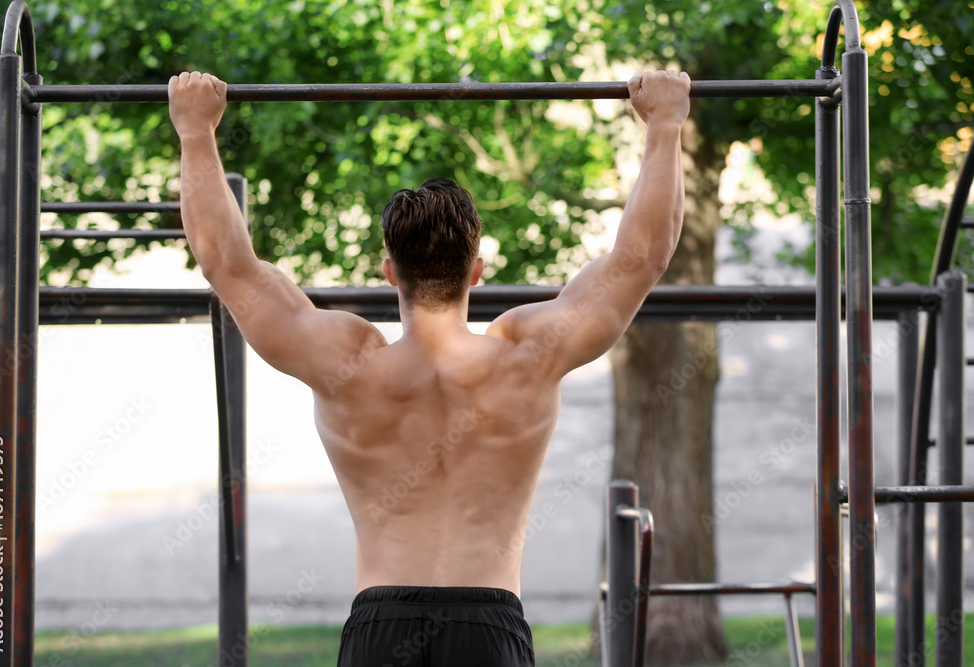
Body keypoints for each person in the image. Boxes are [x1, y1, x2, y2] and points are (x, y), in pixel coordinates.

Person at [168, 68, 690, 667]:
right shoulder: (527, 356)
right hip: (488, 629)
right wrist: (665, 124)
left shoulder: (346, 363)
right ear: (477, 269)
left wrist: (195, 130)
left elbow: (224, 263)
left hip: (380, 628)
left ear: (390, 270)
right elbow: (642, 257)